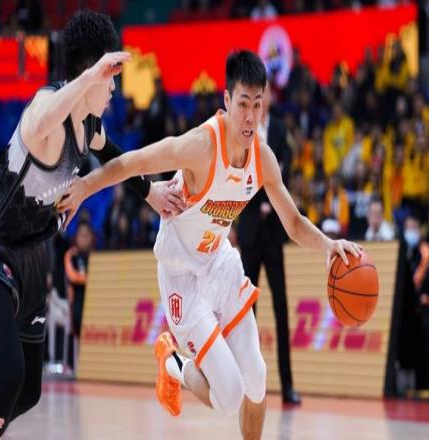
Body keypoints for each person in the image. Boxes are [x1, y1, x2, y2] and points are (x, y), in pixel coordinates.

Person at [58, 50, 362, 439]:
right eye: (243, 104)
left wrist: (328, 245)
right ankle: (174, 364)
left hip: (219, 262)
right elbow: (134, 162)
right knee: (230, 396)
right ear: (227, 100)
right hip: (182, 277)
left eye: (257, 104)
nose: (250, 116)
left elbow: (294, 222)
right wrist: (85, 186)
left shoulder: (263, 158)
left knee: (257, 379)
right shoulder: (201, 146)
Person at [0, 10, 184, 440]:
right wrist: (89, 78)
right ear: (91, 73)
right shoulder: (44, 115)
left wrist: (150, 193)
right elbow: (42, 117)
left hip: (34, 253)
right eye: (110, 77)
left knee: (29, 391)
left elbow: (116, 157)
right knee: (10, 377)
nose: (114, 87)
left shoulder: (89, 126)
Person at [237, 84, 301, 404]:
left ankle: (287, 385)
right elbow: (238, 172)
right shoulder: (243, 131)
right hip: (249, 230)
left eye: (266, 95)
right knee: (248, 311)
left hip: (274, 232)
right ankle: (247, 386)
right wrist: (257, 202)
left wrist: (269, 202)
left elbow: (282, 172)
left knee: (280, 307)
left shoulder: (279, 131)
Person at [64, 219, 94, 370]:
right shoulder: (71, 255)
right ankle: (73, 364)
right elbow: (72, 275)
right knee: (77, 317)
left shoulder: (96, 255)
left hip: (93, 298)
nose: (84, 238)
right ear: (76, 237)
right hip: (76, 299)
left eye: (87, 235)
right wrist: (91, 279)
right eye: (81, 235)